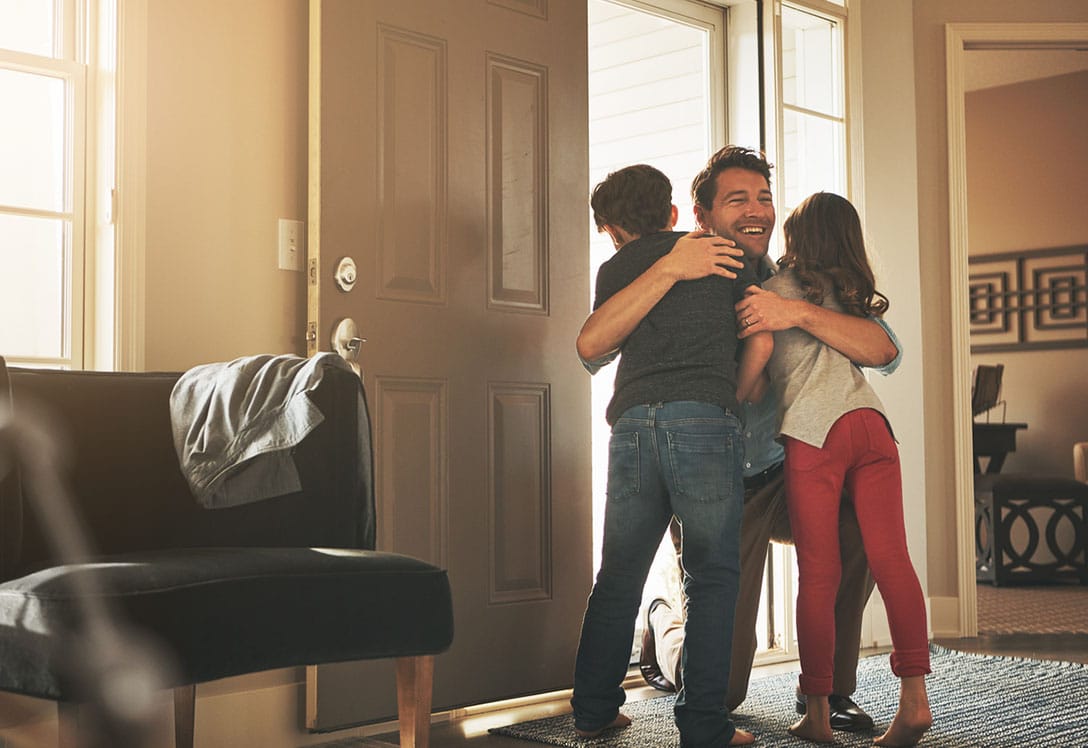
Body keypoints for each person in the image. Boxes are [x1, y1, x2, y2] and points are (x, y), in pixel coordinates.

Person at [584, 146, 900, 731]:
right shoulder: (685, 270)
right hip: (724, 477)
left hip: (788, 469)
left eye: (763, 197)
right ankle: (665, 627)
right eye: (738, 200)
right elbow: (595, 351)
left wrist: (795, 314)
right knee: (721, 684)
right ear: (700, 218)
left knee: (856, 524)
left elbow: (885, 351)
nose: (756, 210)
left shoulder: (797, 280)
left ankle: (825, 691)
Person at [570, 163, 763, 747]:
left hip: (632, 424)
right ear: (676, 213)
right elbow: (762, 336)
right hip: (704, 418)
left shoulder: (616, 269)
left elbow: (599, 347)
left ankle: (594, 708)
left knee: (619, 574)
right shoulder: (722, 254)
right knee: (711, 575)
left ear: (610, 229)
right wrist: (727, 399)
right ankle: (704, 726)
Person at [738, 191, 931, 746]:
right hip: (872, 424)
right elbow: (881, 355)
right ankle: (914, 702)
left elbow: (752, 382)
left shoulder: (770, 294)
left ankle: (818, 712)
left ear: (796, 239)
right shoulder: (849, 296)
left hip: (815, 433)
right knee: (893, 559)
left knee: (819, 574)